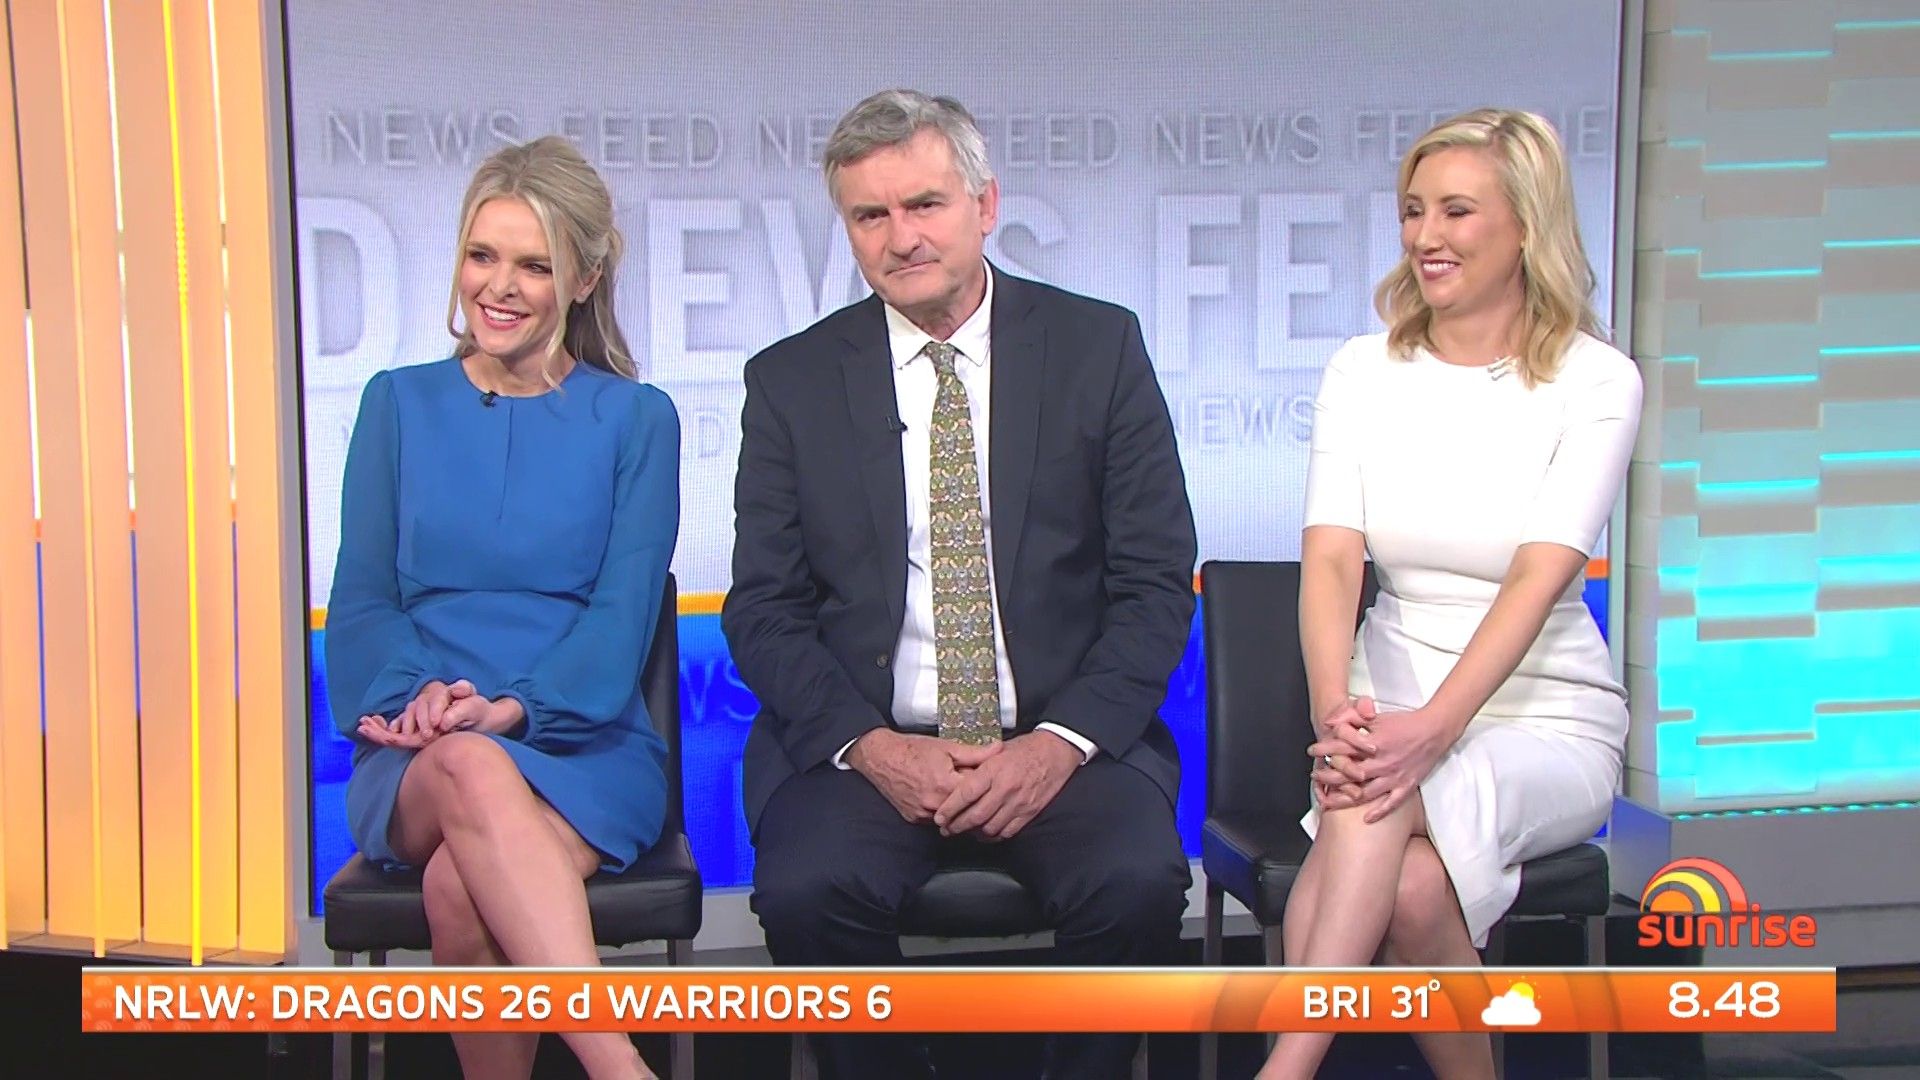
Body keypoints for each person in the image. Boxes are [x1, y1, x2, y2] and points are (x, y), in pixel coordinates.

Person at [723, 89, 1197, 1080]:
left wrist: (1058, 745)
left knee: (1137, 884)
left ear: (985, 206)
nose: (901, 238)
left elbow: (1155, 583)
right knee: (808, 892)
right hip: (868, 747)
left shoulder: (1097, 349)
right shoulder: (790, 381)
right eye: (871, 215)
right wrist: (875, 748)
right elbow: (764, 608)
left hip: (1065, 742)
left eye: (925, 205)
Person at [1260, 108, 1641, 1080]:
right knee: (1411, 881)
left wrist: (1431, 729)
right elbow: (1332, 561)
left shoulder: (1597, 381)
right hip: (1383, 700)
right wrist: (1335, 712)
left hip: (1541, 716)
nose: (1426, 235)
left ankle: (1285, 1068)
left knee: (1377, 797)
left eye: (1456, 211)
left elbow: (1540, 576)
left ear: (1526, 225)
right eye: (1413, 210)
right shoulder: (1363, 369)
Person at [325, 135, 677, 1080]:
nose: (501, 286)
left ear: (585, 279)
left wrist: (516, 707)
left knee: (460, 881)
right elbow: (361, 596)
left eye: (535, 264)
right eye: (483, 255)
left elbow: (622, 614)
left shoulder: (636, 419)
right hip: (420, 746)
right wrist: (421, 698)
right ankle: (621, 1068)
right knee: (468, 764)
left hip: (584, 744)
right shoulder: (397, 405)